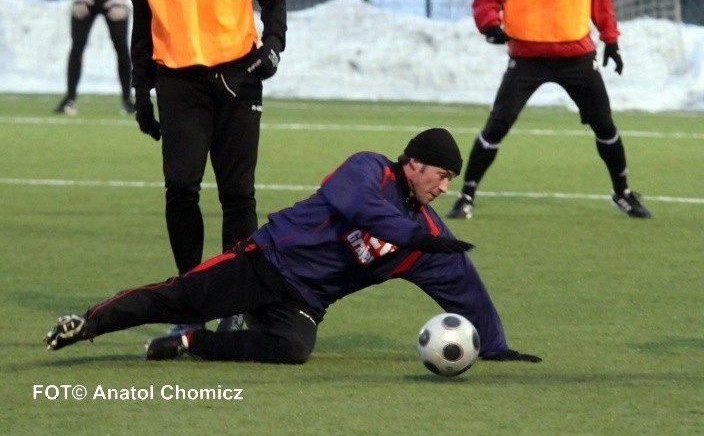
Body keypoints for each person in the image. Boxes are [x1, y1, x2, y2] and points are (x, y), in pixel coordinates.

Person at [44, 128, 541, 365]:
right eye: (441, 175)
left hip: (304, 302)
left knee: (293, 350)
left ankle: (193, 343)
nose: (444, 186)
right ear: (413, 164)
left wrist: (495, 346)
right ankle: (88, 323)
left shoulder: (424, 234)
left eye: (451, 180)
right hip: (266, 261)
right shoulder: (370, 169)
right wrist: (414, 233)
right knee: (182, 296)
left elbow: (461, 286)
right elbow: (359, 205)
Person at [128, 0, 287, 334]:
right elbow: (143, 23)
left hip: (238, 78)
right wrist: (142, 90)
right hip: (178, 82)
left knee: (238, 195)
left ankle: (236, 302)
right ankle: (190, 298)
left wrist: (274, 47)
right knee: (181, 188)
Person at [447, 0, 651, 221]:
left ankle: (623, 193)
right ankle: (466, 195)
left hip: (576, 55)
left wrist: (610, 38)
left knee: (604, 123)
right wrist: (490, 24)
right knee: (497, 125)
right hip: (528, 57)